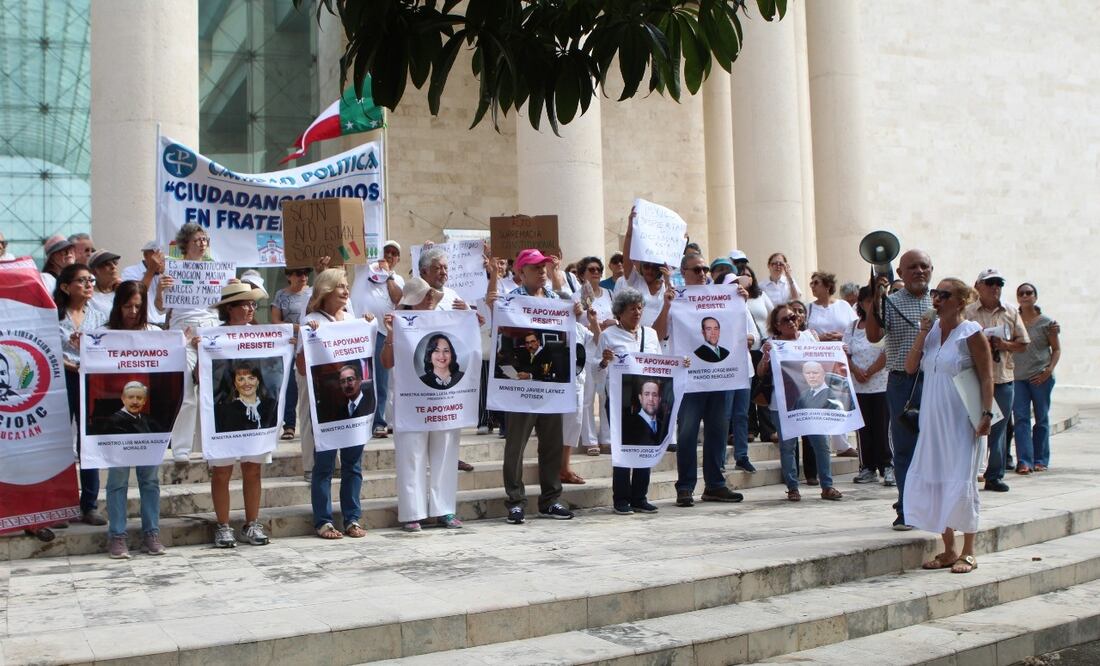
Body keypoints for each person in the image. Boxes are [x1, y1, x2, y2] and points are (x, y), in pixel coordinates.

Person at [904, 278, 993, 574]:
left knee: (961, 479)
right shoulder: (931, 333)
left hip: (961, 419)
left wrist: (986, 415)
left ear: (960, 301)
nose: (937, 299)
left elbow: (986, 376)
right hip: (933, 417)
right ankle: (948, 549)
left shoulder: (971, 333)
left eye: (944, 294)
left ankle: (968, 550)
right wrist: (922, 333)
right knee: (937, 477)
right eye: (935, 294)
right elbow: (909, 367)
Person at [486, 248, 575, 523]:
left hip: (550, 388)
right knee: (516, 446)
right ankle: (515, 500)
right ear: (521, 272)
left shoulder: (555, 300)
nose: (542, 272)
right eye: (536, 268)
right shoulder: (512, 300)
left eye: (544, 268)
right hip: (520, 391)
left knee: (551, 444)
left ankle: (551, 499)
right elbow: (499, 326)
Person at [383, 277, 464, 531]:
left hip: (444, 401)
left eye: (432, 295)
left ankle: (445, 509)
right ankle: (412, 512)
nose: (430, 299)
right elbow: (386, 363)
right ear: (412, 301)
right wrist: (390, 336)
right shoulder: (397, 322)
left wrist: (470, 322)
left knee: (446, 453)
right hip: (411, 403)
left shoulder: (447, 319)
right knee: (411, 456)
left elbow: (467, 350)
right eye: (425, 295)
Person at [297, 267, 372, 538]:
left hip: (354, 407)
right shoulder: (312, 320)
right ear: (327, 290)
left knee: (353, 465)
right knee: (325, 466)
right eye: (340, 286)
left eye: (346, 285)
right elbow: (302, 369)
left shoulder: (352, 319)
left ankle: (352, 519)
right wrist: (308, 340)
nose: (346, 290)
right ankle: (323, 521)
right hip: (327, 407)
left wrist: (368, 327)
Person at [673, 252, 750, 506]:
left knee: (717, 431)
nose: (703, 273)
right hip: (690, 378)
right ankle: (685, 487)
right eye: (696, 269)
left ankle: (715, 484)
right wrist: (666, 304)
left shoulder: (723, 297)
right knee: (687, 433)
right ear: (683, 272)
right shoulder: (676, 299)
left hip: (720, 377)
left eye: (705, 268)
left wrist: (741, 303)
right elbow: (661, 332)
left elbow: (743, 333)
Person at [866, 248, 934, 530]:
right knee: (905, 449)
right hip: (902, 383)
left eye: (924, 266)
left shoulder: (942, 302)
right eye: (912, 267)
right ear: (901, 273)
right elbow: (873, 335)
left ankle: (932, 506)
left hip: (936, 381)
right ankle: (907, 509)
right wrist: (875, 300)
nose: (919, 271)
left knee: (935, 447)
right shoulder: (890, 303)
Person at [208, 281, 273, 547]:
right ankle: (223, 525)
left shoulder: (261, 334)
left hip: (256, 410)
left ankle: (252, 523)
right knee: (222, 471)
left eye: (252, 303)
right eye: (244, 303)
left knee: (253, 468)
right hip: (223, 413)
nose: (250, 308)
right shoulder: (212, 335)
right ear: (229, 308)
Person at [758, 305, 842, 502]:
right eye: (786, 319)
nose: (791, 321)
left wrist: (839, 351)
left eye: (793, 317)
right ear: (777, 326)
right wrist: (766, 358)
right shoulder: (772, 344)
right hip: (783, 404)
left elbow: (825, 360)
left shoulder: (809, 337)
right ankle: (792, 487)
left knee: (821, 444)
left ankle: (827, 486)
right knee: (788, 447)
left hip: (812, 401)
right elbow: (761, 372)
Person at [597, 286, 667, 514]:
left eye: (639, 308)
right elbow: (596, 368)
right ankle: (621, 498)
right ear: (619, 313)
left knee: (646, 445)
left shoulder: (651, 334)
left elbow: (661, 365)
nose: (637, 312)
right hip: (620, 400)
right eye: (631, 309)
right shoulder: (608, 335)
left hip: (647, 400)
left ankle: (640, 496)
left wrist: (680, 366)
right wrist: (604, 362)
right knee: (623, 447)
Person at [157, 224, 222, 463]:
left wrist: (231, 284)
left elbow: (222, 303)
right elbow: (160, 307)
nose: (202, 244)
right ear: (186, 243)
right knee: (185, 392)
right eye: (197, 240)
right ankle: (181, 448)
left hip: (209, 333)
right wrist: (161, 289)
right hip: (182, 335)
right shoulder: (172, 269)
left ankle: (209, 445)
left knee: (211, 392)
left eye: (205, 240)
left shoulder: (215, 270)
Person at [965, 268, 1028, 492]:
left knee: (999, 429)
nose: (995, 288)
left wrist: (1004, 345)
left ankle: (994, 475)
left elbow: (1023, 343)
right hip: (975, 377)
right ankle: (969, 473)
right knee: (971, 426)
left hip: (1002, 377)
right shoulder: (968, 312)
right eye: (990, 283)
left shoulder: (1010, 311)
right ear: (978, 286)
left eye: (998, 284)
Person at [54, 263, 108, 526]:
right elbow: (48, 349)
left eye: (91, 280)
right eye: (82, 281)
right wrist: (71, 363)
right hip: (62, 377)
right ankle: (58, 505)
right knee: (59, 442)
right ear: (65, 287)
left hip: (90, 380)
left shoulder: (99, 316)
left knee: (88, 441)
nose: (88, 285)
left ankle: (89, 505)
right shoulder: (53, 315)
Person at [102, 370, 165, 559]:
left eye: (139, 397)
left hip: (147, 452)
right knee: (117, 485)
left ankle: (151, 533)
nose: (135, 401)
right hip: (119, 455)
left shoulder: (148, 421)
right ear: (123, 398)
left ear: (144, 401)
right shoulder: (113, 420)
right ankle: (117, 536)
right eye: (131, 397)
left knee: (150, 484)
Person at [352, 240, 403, 438]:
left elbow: (398, 299)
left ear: (398, 259)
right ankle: (359, 421)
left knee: (380, 382)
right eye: (387, 251)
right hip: (359, 333)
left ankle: (378, 422)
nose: (390, 255)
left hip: (382, 333)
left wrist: (388, 275)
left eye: (394, 253)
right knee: (360, 378)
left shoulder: (397, 278)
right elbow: (355, 248)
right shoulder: (364, 269)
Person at [845, 286, 893, 486]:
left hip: (881, 384)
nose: (871, 305)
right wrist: (856, 370)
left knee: (883, 427)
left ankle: (888, 466)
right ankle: (867, 467)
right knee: (863, 428)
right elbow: (846, 352)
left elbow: (887, 351)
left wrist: (871, 370)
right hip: (859, 386)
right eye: (867, 301)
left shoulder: (886, 325)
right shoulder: (853, 326)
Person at [1012, 282, 1060, 474]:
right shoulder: (1013, 320)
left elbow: (1056, 349)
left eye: (1029, 293)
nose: (1025, 296)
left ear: (1035, 296)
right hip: (1018, 378)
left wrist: (1048, 370)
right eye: (1021, 293)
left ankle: (1040, 459)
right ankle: (1024, 461)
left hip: (1041, 377)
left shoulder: (1047, 323)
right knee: (1021, 419)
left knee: (1041, 418)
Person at [574, 256, 615, 454]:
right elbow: (575, 323)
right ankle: (590, 440)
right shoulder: (576, 296)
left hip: (607, 348)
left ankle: (606, 438)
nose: (596, 272)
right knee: (588, 396)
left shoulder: (609, 293)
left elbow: (616, 317)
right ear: (582, 274)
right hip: (587, 349)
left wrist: (609, 323)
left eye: (598, 269)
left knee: (606, 395)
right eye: (591, 269)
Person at [618, 211, 671, 327]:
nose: (650, 270)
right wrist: (630, 230)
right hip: (637, 339)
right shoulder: (635, 280)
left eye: (654, 267)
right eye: (646, 266)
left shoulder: (667, 286)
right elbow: (627, 258)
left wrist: (668, 281)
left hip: (662, 340)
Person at [214, 361, 279, 432]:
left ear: (258, 381)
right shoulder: (225, 411)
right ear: (235, 384)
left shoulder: (271, 406)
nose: (246, 383)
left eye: (251, 378)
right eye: (241, 379)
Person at [120, 241, 166, 326]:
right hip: (144, 326)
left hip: (165, 326)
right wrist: (151, 270)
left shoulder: (165, 274)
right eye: (157, 257)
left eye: (164, 258)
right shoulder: (130, 271)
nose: (161, 261)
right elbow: (134, 295)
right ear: (146, 255)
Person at [622, 379, 667, 445]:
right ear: (640, 398)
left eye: (654, 395)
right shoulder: (628, 425)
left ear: (659, 399)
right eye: (646, 394)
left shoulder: (664, 426)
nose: (651, 399)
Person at [87, 250, 123, 318]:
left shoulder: (122, 289)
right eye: (107, 264)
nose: (113, 267)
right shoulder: (90, 296)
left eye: (115, 263)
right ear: (94, 271)